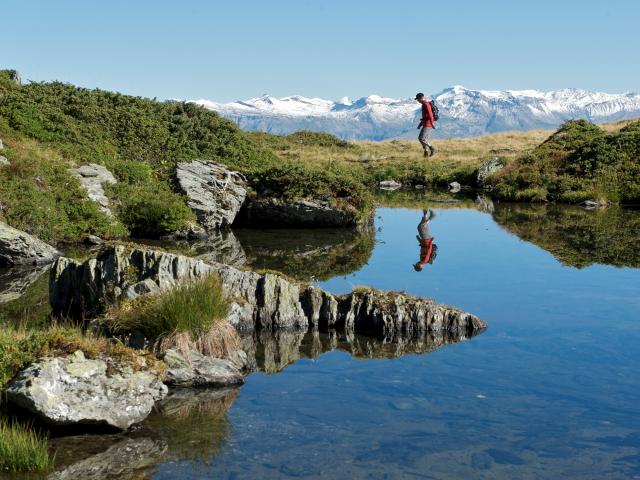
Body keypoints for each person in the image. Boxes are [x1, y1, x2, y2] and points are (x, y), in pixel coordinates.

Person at [415, 93, 438, 157]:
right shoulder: (424, 104)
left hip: (428, 124)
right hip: (426, 123)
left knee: (421, 138)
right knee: (424, 139)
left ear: (420, 98)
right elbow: (425, 116)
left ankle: (433, 148)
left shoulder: (426, 104)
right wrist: (420, 125)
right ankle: (426, 153)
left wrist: (432, 123)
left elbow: (430, 114)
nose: (417, 101)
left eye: (417, 99)